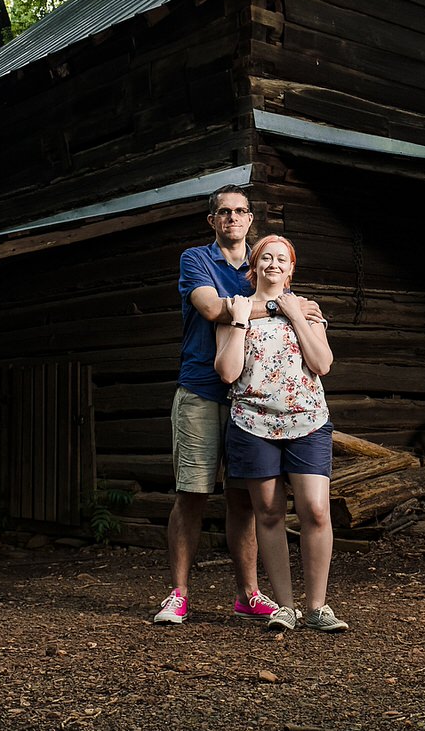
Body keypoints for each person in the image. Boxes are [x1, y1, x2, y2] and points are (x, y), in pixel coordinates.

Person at [151, 184, 275, 625]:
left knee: (242, 499)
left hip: (249, 397)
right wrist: (284, 309)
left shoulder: (259, 264)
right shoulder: (196, 259)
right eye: (224, 212)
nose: (232, 218)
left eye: (240, 211)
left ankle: (248, 595)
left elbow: (266, 297)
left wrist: (269, 306)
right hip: (201, 391)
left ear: (250, 219)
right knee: (192, 494)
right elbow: (210, 309)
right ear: (213, 221)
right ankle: (179, 594)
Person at [216, 234, 348, 632]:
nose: (274, 264)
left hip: (307, 421)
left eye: (282, 259)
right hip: (253, 424)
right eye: (266, 258)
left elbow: (322, 363)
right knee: (269, 513)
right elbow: (227, 372)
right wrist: (240, 320)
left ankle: (318, 607)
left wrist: (293, 315)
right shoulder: (234, 308)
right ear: (253, 267)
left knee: (316, 510)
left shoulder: (307, 309)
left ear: (292, 269)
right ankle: (286, 607)